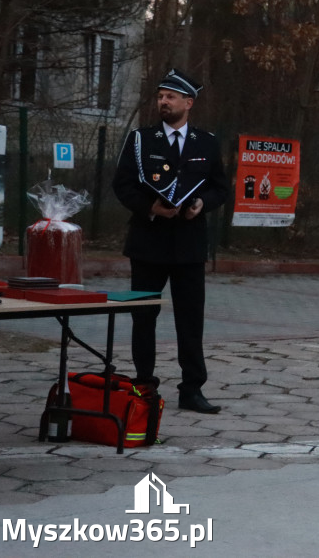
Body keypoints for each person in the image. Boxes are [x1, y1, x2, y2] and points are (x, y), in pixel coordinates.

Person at [112, 68, 229, 414]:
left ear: (188, 103)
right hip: (149, 242)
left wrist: (200, 204)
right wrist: (151, 207)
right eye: (161, 96)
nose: (163, 102)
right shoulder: (141, 140)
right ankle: (143, 385)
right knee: (143, 317)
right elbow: (123, 185)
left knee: (190, 320)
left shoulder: (205, 142)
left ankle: (192, 389)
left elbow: (219, 188)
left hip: (189, 244)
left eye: (171, 97)